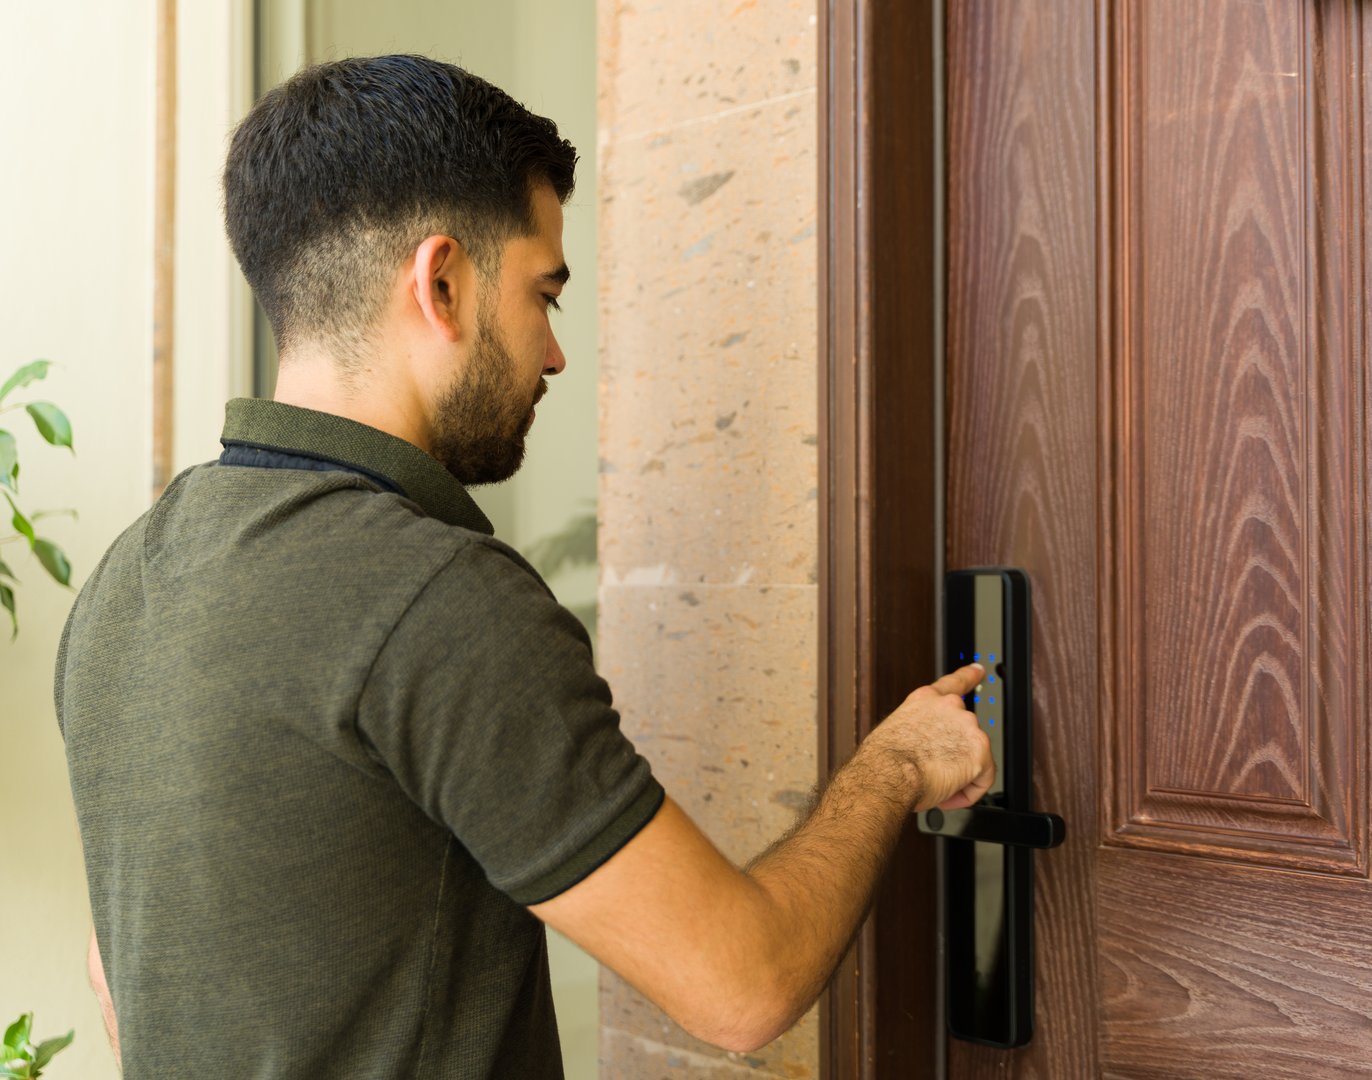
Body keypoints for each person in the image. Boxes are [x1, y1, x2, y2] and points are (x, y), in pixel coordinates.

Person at [56, 53, 994, 1078]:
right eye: (542, 293)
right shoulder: (433, 596)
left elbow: (125, 981)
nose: (552, 352)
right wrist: (897, 762)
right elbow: (742, 984)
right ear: (443, 281)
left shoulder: (124, 583)